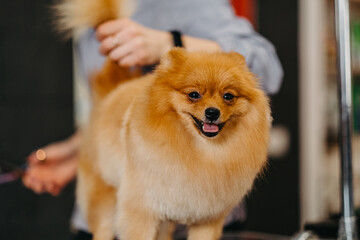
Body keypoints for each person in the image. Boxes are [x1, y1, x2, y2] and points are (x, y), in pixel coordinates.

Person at [23, 0, 283, 238]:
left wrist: (170, 42)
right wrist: (75, 153)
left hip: (204, 212)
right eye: (193, 95)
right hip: (111, 220)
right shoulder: (88, 25)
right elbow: (115, 120)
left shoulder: (189, 4)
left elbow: (268, 66)